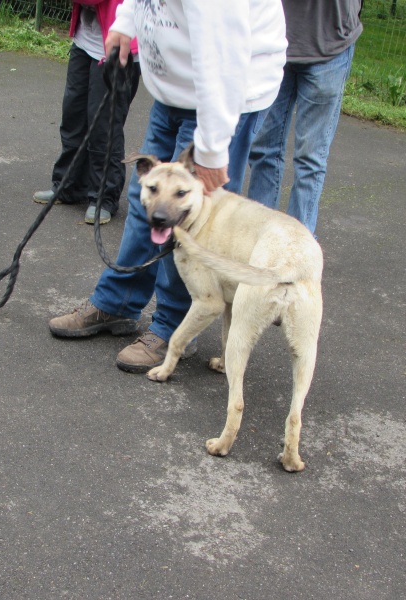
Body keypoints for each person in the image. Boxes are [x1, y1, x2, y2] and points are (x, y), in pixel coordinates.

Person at [48, 0, 288, 373]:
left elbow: (223, 57)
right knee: (149, 199)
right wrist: (125, 22)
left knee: (187, 218)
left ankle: (174, 326)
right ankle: (118, 300)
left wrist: (210, 149)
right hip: (177, 88)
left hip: (223, 97)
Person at [247, 0, 362, 234]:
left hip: (330, 43)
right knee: (263, 151)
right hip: (273, 44)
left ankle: (297, 250)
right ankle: (258, 238)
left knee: (310, 159)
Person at [33, 0, 141, 225]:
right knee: (73, 116)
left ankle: (104, 199)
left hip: (117, 47)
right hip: (85, 40)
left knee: (104, 126)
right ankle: (68, 186)